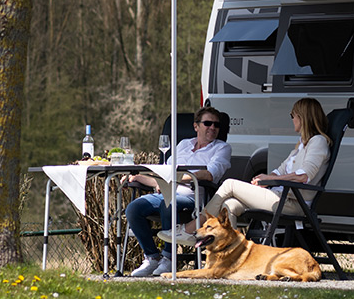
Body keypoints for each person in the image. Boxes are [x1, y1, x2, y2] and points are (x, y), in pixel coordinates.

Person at [124, 106, 231, 277]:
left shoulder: (221, 148)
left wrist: (178, 178)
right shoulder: (183, 145)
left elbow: (209, 174)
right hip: (166, 192)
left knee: (169, 203)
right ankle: (152, 257)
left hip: (192, 196)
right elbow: (164, 175)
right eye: (208, 123)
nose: (212, 127)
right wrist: (139, 177)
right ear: (196, 126)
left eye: (216, 125)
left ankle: (169, 258)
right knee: (133, 208)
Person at [204, 98, 329, 221]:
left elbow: (304, 176)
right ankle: (230, 242)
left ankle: (196, 227)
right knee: (230, 205)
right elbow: (280, 171)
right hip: (280, 197)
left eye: (293, 115)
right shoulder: (301, 145)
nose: (292, 120)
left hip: (294, 203)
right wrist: (264, 179)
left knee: (229, 184)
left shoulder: (318, 141)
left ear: (302, 117)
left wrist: (270, 179)